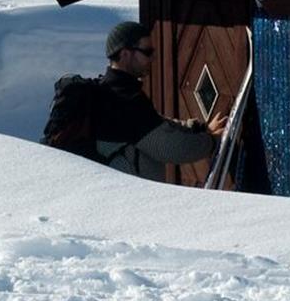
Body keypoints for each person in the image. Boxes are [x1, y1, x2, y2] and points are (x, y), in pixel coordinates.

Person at [93, 21, 228, 181]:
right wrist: (211, 142)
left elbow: (156, 124)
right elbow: (170, 147)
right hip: (130, 198)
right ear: (125, 54)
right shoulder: (122, 98)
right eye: (147, 52)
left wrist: (198, 128)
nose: (153, 58)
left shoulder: (112, 90)